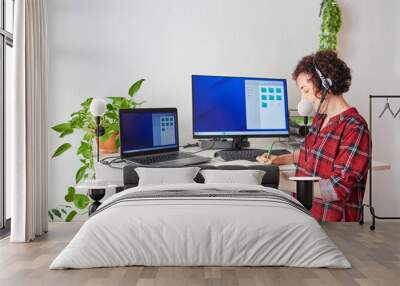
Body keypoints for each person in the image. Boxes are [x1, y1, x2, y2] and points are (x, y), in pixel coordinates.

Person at [257, 50, 370, 222]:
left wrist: (284, 182)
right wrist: (279, 160)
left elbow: (337, 188)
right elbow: (311, 155)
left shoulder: (355, 127)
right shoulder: (320, 118)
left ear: (326, 85)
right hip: (306, 217)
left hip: (334, 226)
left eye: (306, 90)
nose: (304, 99)